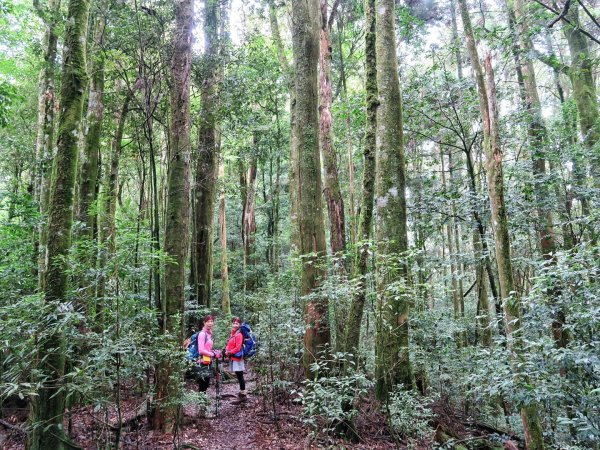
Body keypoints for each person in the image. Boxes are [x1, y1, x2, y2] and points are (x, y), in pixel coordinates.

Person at [196, 315, 221, 393]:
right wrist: (212, 354)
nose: (210, 323)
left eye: (211, 321)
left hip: (208, 361)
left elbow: (207, 348)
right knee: (203, 384)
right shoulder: (202, 334)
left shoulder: (209, 334)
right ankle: (201, 403)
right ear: (204, 322)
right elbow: (201, 350)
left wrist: (214, 351)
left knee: (206, 383)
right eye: (208, 322)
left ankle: (203, 402)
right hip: (202, 362)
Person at [225, 317, 247, 398]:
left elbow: (238, 348)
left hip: (237, 358)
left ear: (239, 324)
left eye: (236, 323)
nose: (235, 325)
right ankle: (242, 392)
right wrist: (227, 350)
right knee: (238, 375)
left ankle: (243, 392)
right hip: (233, 357)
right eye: (233, 323)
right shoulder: (233, 333)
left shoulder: (239, 334)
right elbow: (229, 344)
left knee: (240, 375)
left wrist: (229, 352)